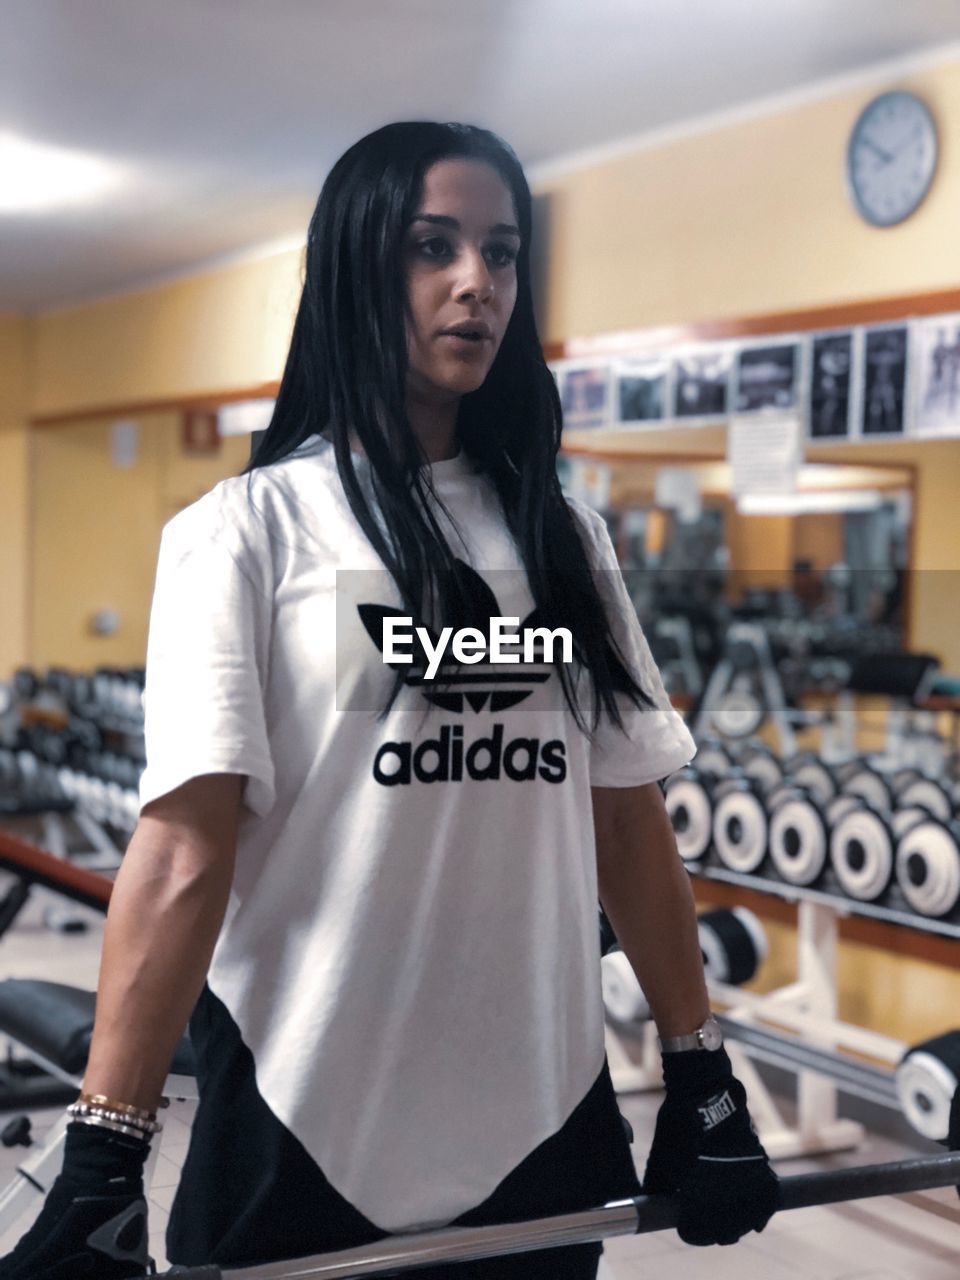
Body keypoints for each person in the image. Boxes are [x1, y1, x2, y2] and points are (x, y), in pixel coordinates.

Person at [1, 122, 778, 1280]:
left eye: (503, 252)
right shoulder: (245, 533)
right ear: (362, 264)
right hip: (304, 1118)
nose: (478, 283)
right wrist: (105, 1150)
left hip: (541, 1120)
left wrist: (700, 1065)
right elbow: (181, 850)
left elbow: (627, 818)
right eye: (434, 246)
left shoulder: (564, 541)